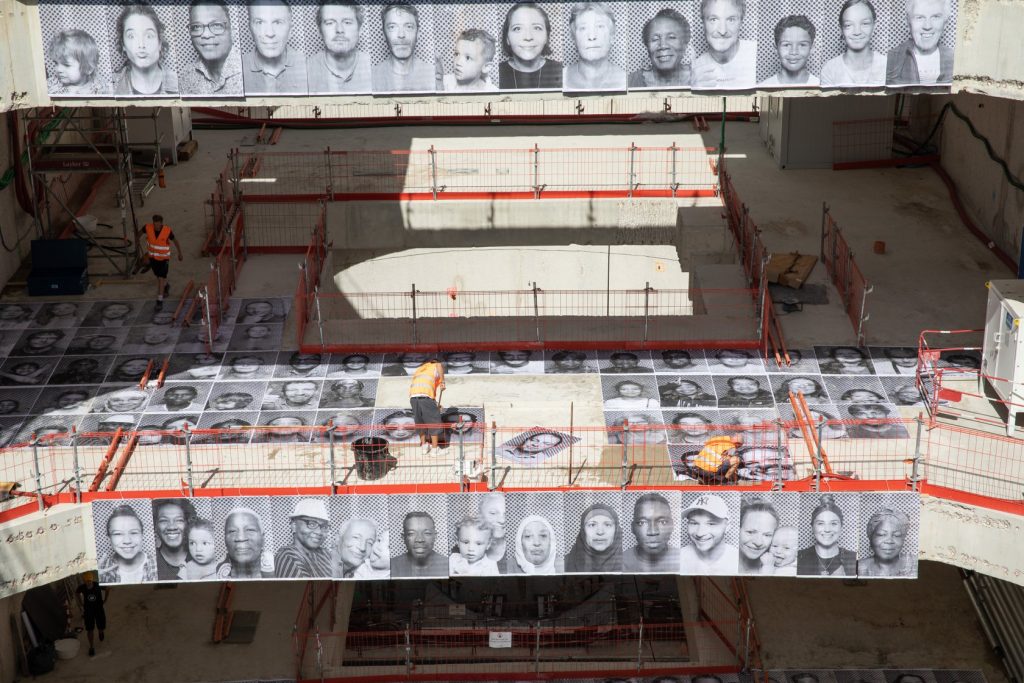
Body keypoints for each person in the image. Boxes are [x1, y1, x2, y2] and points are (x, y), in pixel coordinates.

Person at [113, 2, 179, 95]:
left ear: (160, 42)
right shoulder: (111, 87)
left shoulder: (180, 84)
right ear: (123, 44)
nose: (141, 44)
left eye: (149, 36)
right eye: (131, 36)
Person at [243, 0, 307, 94]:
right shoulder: (239, 70)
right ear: (250, 29)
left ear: (290, 29)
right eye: (260, 22)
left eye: (278, 22)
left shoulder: (308, 66)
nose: (270, 33)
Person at [307, 0, 373, 93]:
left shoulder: (374, 68)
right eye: (330, 23)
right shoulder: (305, 71)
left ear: (359, 29)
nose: (339, 30)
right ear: (320, 31)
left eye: (347, 22)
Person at [181, 0, 243, 95]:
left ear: (232, 31)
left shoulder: (248, 71)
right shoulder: (185, 77)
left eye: (216, 25)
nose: (206, 35)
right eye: (196, 27)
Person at [372, 3, 437, 92]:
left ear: (418, 33)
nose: (401, 35)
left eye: (409, 27)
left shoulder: (432, 75)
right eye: (392, 27)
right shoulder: (372, 78)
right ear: (383, 34)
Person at [820, 0, 886, 86]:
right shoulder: (830, 69)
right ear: (841, 29)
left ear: (874, 27)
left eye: (865, 23)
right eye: (849, 25)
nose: (857, 32)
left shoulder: (886, 66)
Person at [498, 2, 563, 90]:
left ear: (546, 36)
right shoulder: (494, 74)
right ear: (507, 38)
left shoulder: (561, 72)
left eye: (537, 28)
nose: (528, 37)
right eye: (517, 28)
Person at [692, 0, 755, 89]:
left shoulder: (756, 55)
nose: (722, 31)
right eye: (713, 19)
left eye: (731, 20)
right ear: (703, 22)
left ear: (741, 21)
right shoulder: (696, 69)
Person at [564, 2, 627, 91]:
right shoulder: (561, 79)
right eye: (583, 28)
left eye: (600, 26)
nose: (592, 37)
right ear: (574, 38)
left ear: (612, 36)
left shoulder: (627, 81)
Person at [887, 0, 953, 85]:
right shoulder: (890, 60)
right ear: (908, 22)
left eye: (935, 17)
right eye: (919, 17)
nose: (927, 26)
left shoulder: (955, 60)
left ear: (945, 23)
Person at [629, 9, 692, 88]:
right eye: (655, 39)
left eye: (671, 37)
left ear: (684, 43)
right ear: (647, 45)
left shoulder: (701, 77)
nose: (663, 46)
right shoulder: (630, 81)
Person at [797, 494, 857, 576]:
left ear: (841, 526)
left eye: (833, 523)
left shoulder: (853, 558)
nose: (827, 530)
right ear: (812, 527)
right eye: (820, 523)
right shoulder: (799, 557)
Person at [99, 504, 159, 584]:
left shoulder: (157, 564)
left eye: (134, 532)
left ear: (142, 535)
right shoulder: (101, 568)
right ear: (109, 538)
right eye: (118, 534)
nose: (127, 541)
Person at [275, 498, 333, 578]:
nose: (319, 532)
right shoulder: (288, 557)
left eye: (324, 526)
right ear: (294, 526)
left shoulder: (325, 554)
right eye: (312, 524)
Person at [680, 494, 738, 574]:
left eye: (711, 524)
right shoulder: (679, 558)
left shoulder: (738, 559)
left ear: (727, 526)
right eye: (694, 523)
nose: (700, 533)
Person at [623, 493, 679, 573]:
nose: (652, 532)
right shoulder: (621, 562)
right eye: (642, 522)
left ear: (672, 525)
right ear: (632, 528)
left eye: (662, 522)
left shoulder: (682, 559)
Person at [759, 15, 818, 87]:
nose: (794, 52)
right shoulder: (764, 87)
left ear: (812, 48)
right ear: (776, 48)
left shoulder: (820, 85)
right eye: (786, 45)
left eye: (802, 45)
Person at [139, 214, 183, 310]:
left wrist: (180, 253)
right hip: (153, 258)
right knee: (158, 276)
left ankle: (159, 301)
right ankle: (166, 286)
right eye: (155, 224)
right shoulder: (147, 228)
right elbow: (139, 233)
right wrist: (136, 240)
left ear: (161, 223)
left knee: (160, 278)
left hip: (164, 259)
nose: (156, 226)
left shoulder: (167, 231)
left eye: (158, 224)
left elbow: (175, 241)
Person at [217, 507, 274, 578]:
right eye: (232, 531)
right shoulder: (214, 573)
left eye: (250, 530)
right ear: (224, 539)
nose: (241, 538)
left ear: (263, 538)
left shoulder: (280, 567)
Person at [564, 502, 622, 572]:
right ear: (583, 531)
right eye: (592, 525)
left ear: (616, 530)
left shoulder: (627, 561)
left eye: (607, 525)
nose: (600, 532)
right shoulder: (565, 563)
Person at [858, 507, 914, 577]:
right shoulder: (859, 568)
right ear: (871, 538)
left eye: (897, 535)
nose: (889, 541)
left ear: (903, 539)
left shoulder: (914, 564)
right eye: (881, 534)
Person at [47, 30, 105, 95]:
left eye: (66, 65)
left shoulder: (99, 89)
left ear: (88, 68)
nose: (58, 69)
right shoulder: (50, 86)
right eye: (56, 63)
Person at [391, 511, 448, 578]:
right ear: (404, 537)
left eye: (427, 533)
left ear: (434, 536)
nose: (420, 539)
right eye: (411, 533)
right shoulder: (391, 565)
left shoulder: (448, 564)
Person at [409, 355, 445, 454]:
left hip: (413, 397)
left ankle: (424, 447)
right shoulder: (436, 365)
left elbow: (423, 389)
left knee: (420, 422)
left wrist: (434, 402)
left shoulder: (420, 369)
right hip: (425, 397)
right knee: (434, 422)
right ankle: (434, 449)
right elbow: (439, 365)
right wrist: (442, 381)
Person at [152, 499, 195, 580]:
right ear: (156, 526)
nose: (172, 527)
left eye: (179, 520)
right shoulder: (151, 562)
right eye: (164, 520)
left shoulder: (199, 556)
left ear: (187, 524)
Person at [737, 496, 780, 574]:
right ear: (737, 529)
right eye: (750, 532)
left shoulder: (782, 570)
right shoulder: (721, 566)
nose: (758, 543)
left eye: (767, 535)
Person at [76, 572, 109, 657]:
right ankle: (91, 647)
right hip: (88, 611)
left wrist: (105, 599)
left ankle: (100, 632)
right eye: (87, 581)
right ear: (84, 581)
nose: (89, 582)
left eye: (90, 581)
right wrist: (80, 603)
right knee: (90, 629)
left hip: (99, 609)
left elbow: (108, 588)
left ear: (92, 580)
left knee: (100, 626)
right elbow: (77, 592)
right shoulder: (82, 587)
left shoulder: (98, 585)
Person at [500, 430, 566, 464]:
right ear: (527, 439)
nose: (535, 444)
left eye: (546, 443)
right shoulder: (501, 448)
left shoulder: (541, 461)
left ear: (551, 447)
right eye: (534, 440)